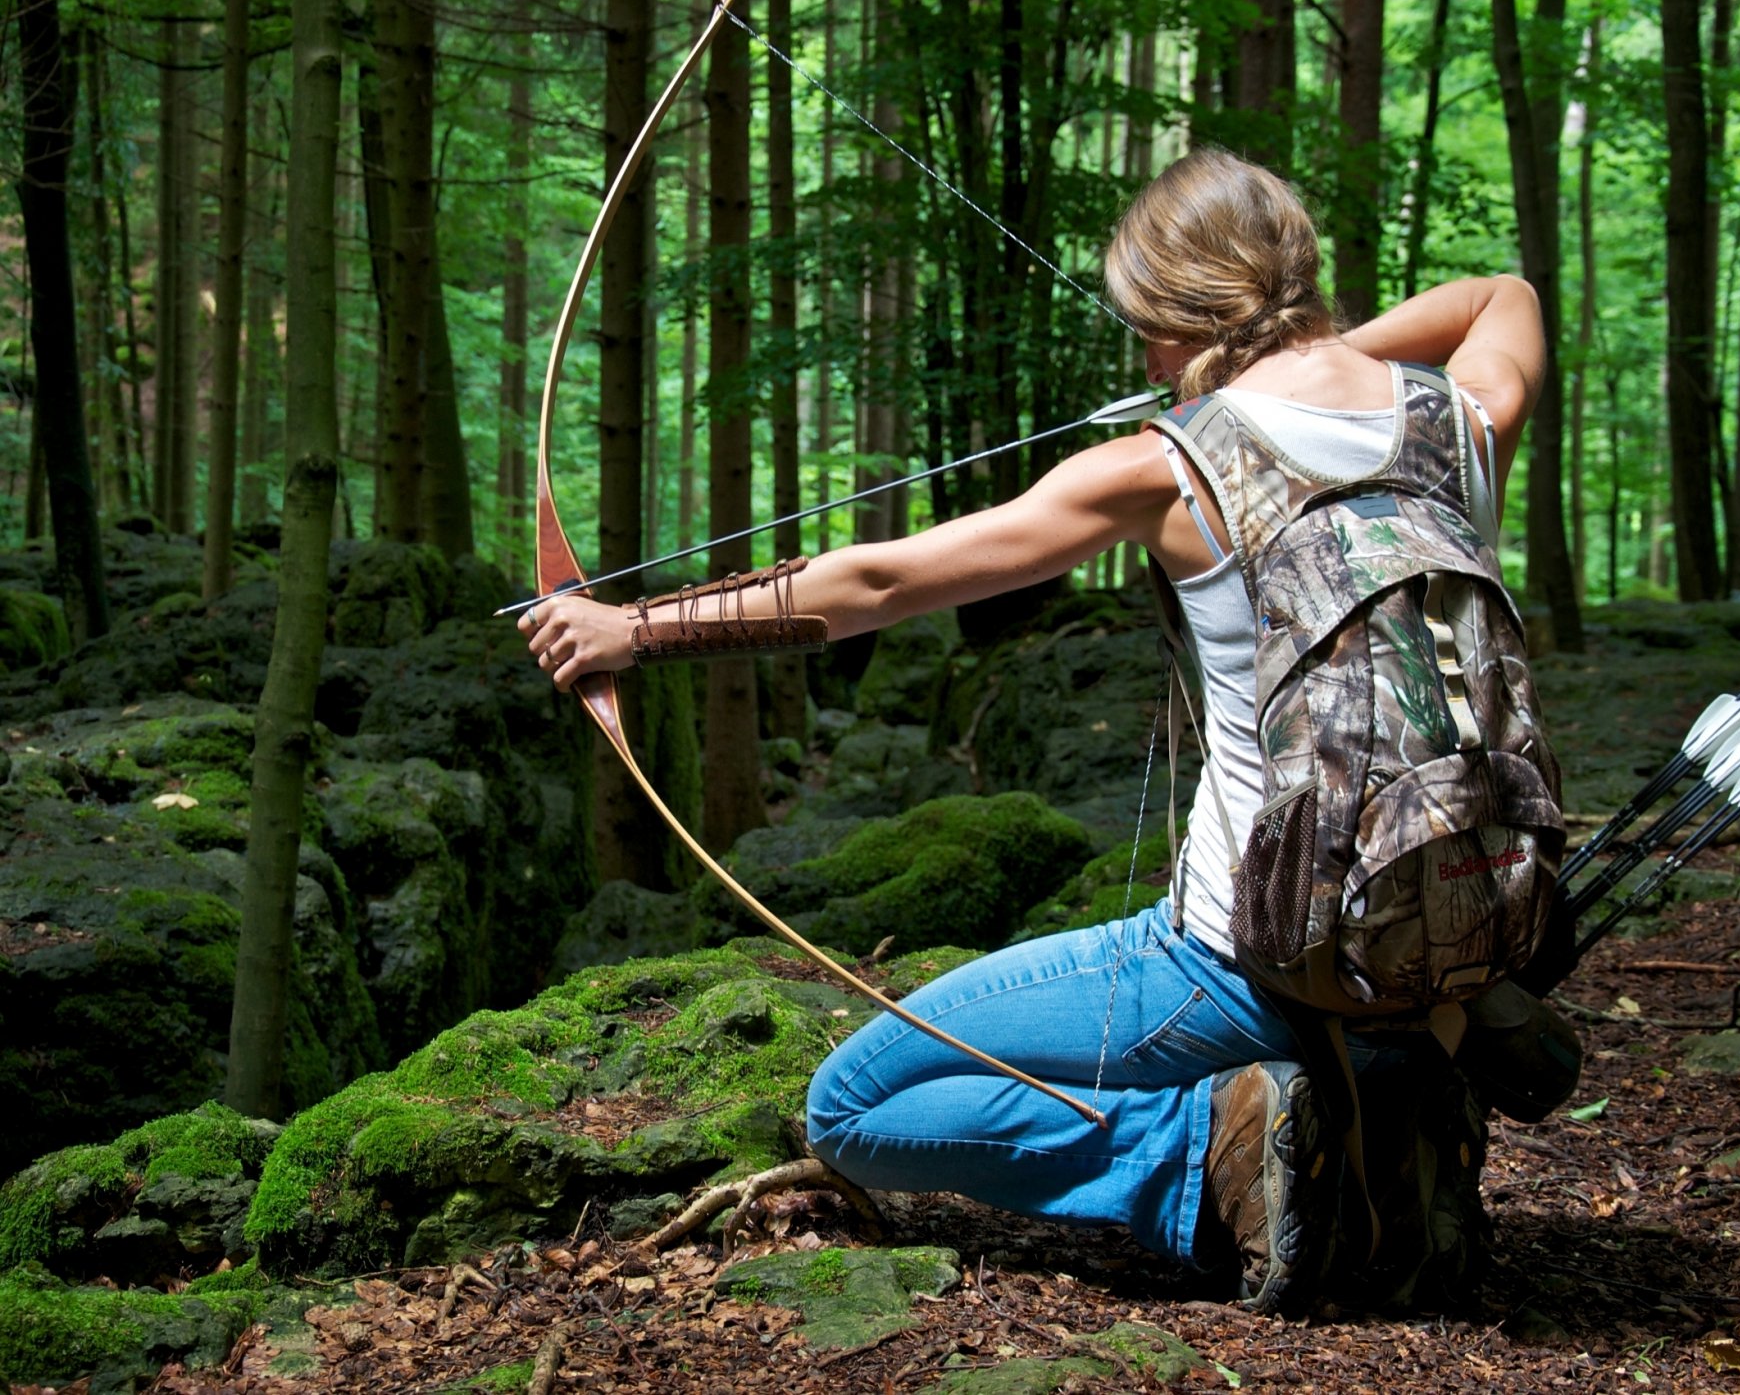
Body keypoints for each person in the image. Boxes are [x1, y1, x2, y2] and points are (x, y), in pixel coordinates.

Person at [520, 149, 1546, 1310]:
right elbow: (1500, 296)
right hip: (1459, 916)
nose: (1144, 360)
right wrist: (1329, 358)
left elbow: (873, 584)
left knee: (852, 1109)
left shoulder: (1163, 470)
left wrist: (633, 631)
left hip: (1240, 957)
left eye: (1145, 328)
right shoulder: (1463, 415)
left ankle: (1205, 1159)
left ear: (1181, 313)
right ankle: (1375, 1067)